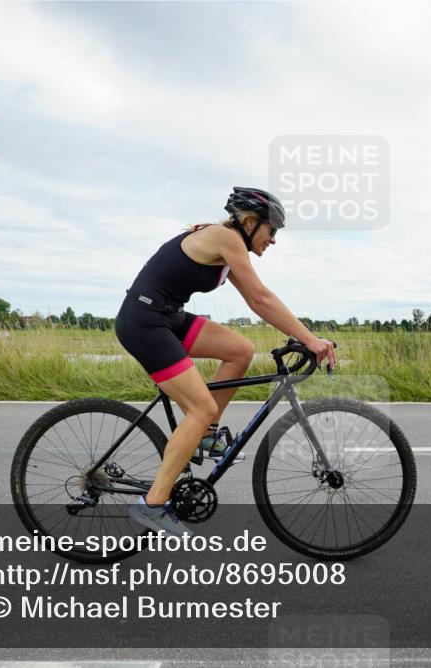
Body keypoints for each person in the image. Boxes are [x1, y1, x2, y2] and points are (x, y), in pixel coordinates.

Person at [115, 187, 337, 536]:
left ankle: (203, 435)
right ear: (250, 223)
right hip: (144, 321)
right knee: (200, 407)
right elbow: (260, 298)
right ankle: (152, 505)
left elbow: (257, 300)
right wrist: (309, 338)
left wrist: (302, 333)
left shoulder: (227, 243)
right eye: (272, 230)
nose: (274, 240)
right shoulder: (224, 237)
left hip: (168, 317)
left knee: (240, 351)